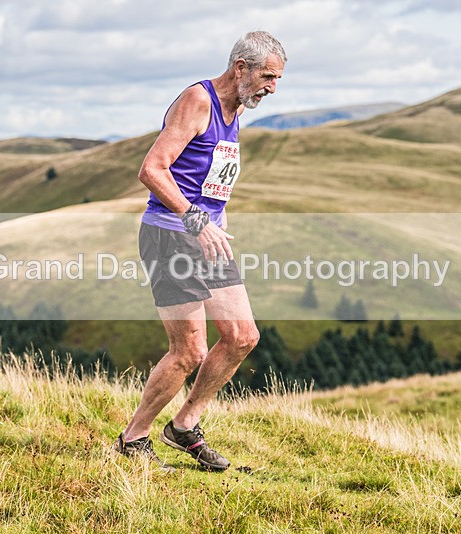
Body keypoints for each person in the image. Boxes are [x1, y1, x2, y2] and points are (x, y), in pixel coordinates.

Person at [113, 31, 286, 471]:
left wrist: (214, 224)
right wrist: (195, 219)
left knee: (242, 336)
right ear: (240, 68)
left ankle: (185, 426)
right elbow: (151, 169)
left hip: (207, 240)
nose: (272, 87)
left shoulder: (234, 112)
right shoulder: (199, 101)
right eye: (267, 76)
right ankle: (133, 439)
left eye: (278, 79)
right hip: (171, 235)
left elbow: (210, 184)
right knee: (188, 351)